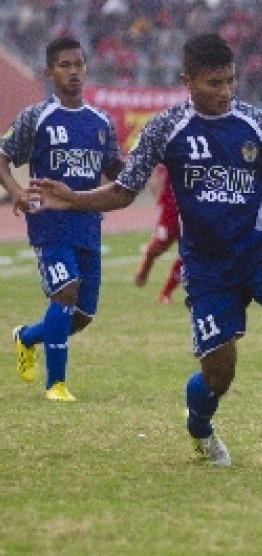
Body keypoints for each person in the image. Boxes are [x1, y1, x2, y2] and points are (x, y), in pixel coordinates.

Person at [27, 33, 262, 471]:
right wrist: (73, 198)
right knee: (218, 373)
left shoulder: (257, 124)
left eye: (230, 81)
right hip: (208, 267)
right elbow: (123, 190)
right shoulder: (164, 128)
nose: (225, 92)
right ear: (187, 81)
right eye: (214, 83)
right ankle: (200, 427)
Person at [0, 37, 124, 401]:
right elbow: (2, 156)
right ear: (49, 71)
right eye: (64, 65)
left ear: (86, 69)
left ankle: (27, 337)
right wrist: (17, 191)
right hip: (49, 222)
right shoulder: (35, 118)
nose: (73, 72)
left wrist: (136, 170)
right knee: (65, 291)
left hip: (88, 222)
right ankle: (56, 384)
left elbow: (113, 166)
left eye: (78, 65)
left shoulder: (100, 121)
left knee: (83, 315)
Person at [133, 163, 184, 304]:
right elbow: (156, 175)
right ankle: (145, 268)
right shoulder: (174, 150)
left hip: (191, 212)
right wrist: (158, 194)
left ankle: (166, 293)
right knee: (158, 248)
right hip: (171, 212)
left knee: (187, 255)